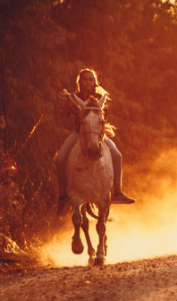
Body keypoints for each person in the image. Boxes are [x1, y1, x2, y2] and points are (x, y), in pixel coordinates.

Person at [55, 69, 135, 215]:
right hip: (79, 133)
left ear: (94, 82)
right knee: (60, 159)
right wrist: (71, 108)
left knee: (117, 155)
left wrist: (82, 108)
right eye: (85, 79)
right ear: (80, 82)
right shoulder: (73, 97)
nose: (88, 82)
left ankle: (117, 192)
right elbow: (61, 115)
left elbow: (102, 115)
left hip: (96, 134)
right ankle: (63, 195)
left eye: (90, 79)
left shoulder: (98, 98)